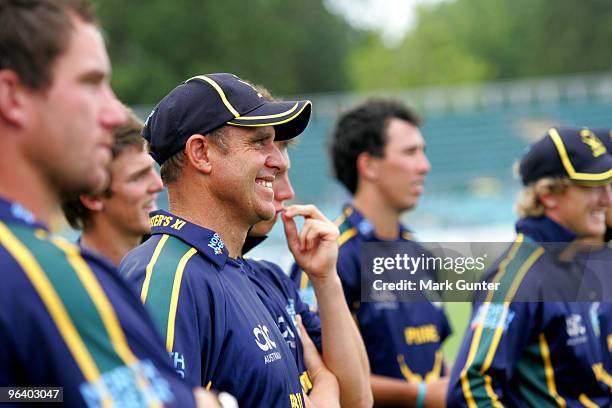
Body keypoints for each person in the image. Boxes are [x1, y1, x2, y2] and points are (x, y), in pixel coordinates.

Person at [0, 0, 216, 406]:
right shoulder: (45, 272)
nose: (116, 112)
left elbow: (21, 394)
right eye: (90, 83)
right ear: (13, 96)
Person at [119, 73, 317, 407]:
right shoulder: (168, 275)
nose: (280, 161)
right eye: (258, 142)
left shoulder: (233, 270)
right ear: (201, 153)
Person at [292, 99, 452, 407]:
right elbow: (313, 370)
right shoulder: (326, 255)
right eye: (410, 152)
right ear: (369, 165)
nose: (424, 165)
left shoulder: (420, 254)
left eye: (423, 151)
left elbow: (436, 361)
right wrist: (417, 397)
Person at [447, 127, 612, 407]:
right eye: (590, 187)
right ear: (547, 194)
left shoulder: (575, 261)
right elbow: (470, 388)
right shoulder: (516, 275)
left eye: (607, 185)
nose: (606, 199)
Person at [242, 87, 372, 407]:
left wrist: (326, 278)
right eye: (273, 176)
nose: (287, 192)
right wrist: (324, 383)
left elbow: (358, 399)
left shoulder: (270, 278)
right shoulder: (182, 275)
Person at [62, 108, 163, 265]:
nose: (158, 185)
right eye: (138, 177)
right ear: (93, 197)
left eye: (152, 169)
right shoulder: (66, 283)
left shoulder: (173, 267)